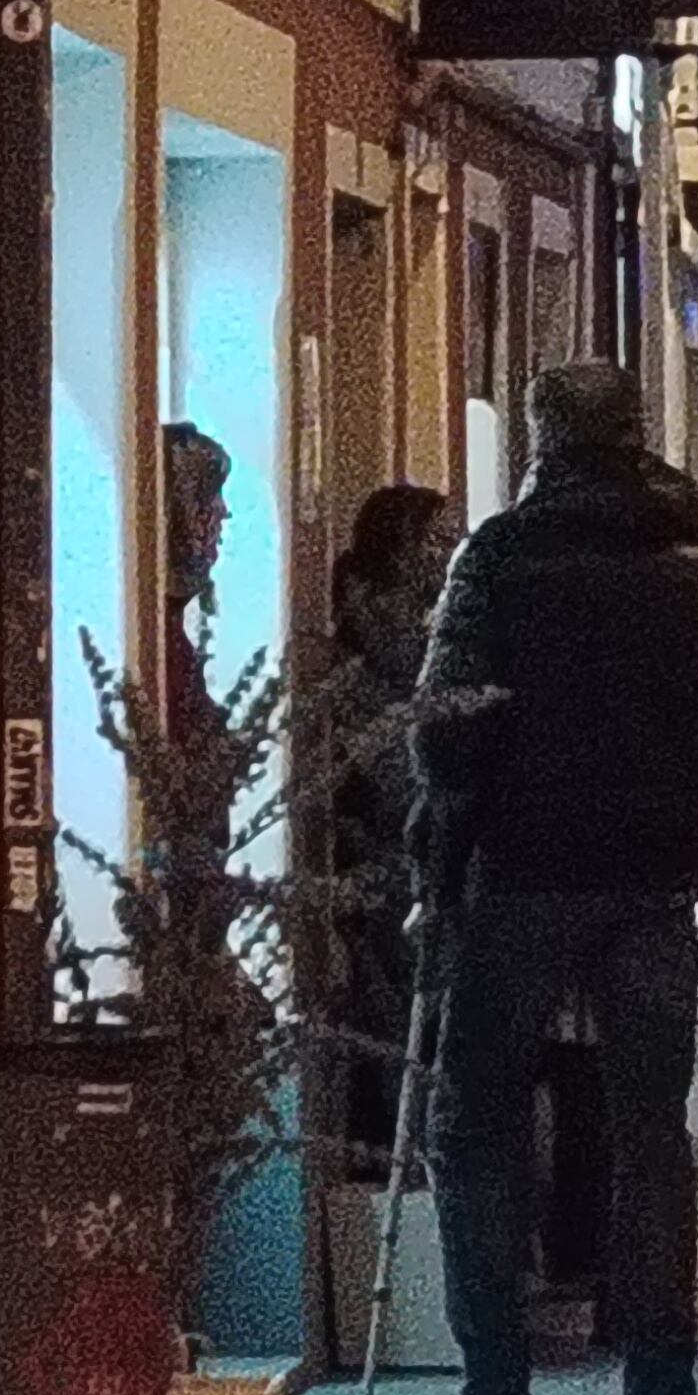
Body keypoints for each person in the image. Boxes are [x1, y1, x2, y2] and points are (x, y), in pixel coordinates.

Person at [407, 364, 698, 1395]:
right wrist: (688, 790)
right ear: (636, 438)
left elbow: (444, 722)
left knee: (471, 1122)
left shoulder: (498, 561)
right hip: (654, 881)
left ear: (541, 438)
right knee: (650, 1142)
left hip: (522, 874)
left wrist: (474, 800)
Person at [323, 481, 457, 1161]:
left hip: (407, 854)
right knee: (397, 1028)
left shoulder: (430, 621)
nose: (449, 549)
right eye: (437, 537)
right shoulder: (390, 633)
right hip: (384, 862)